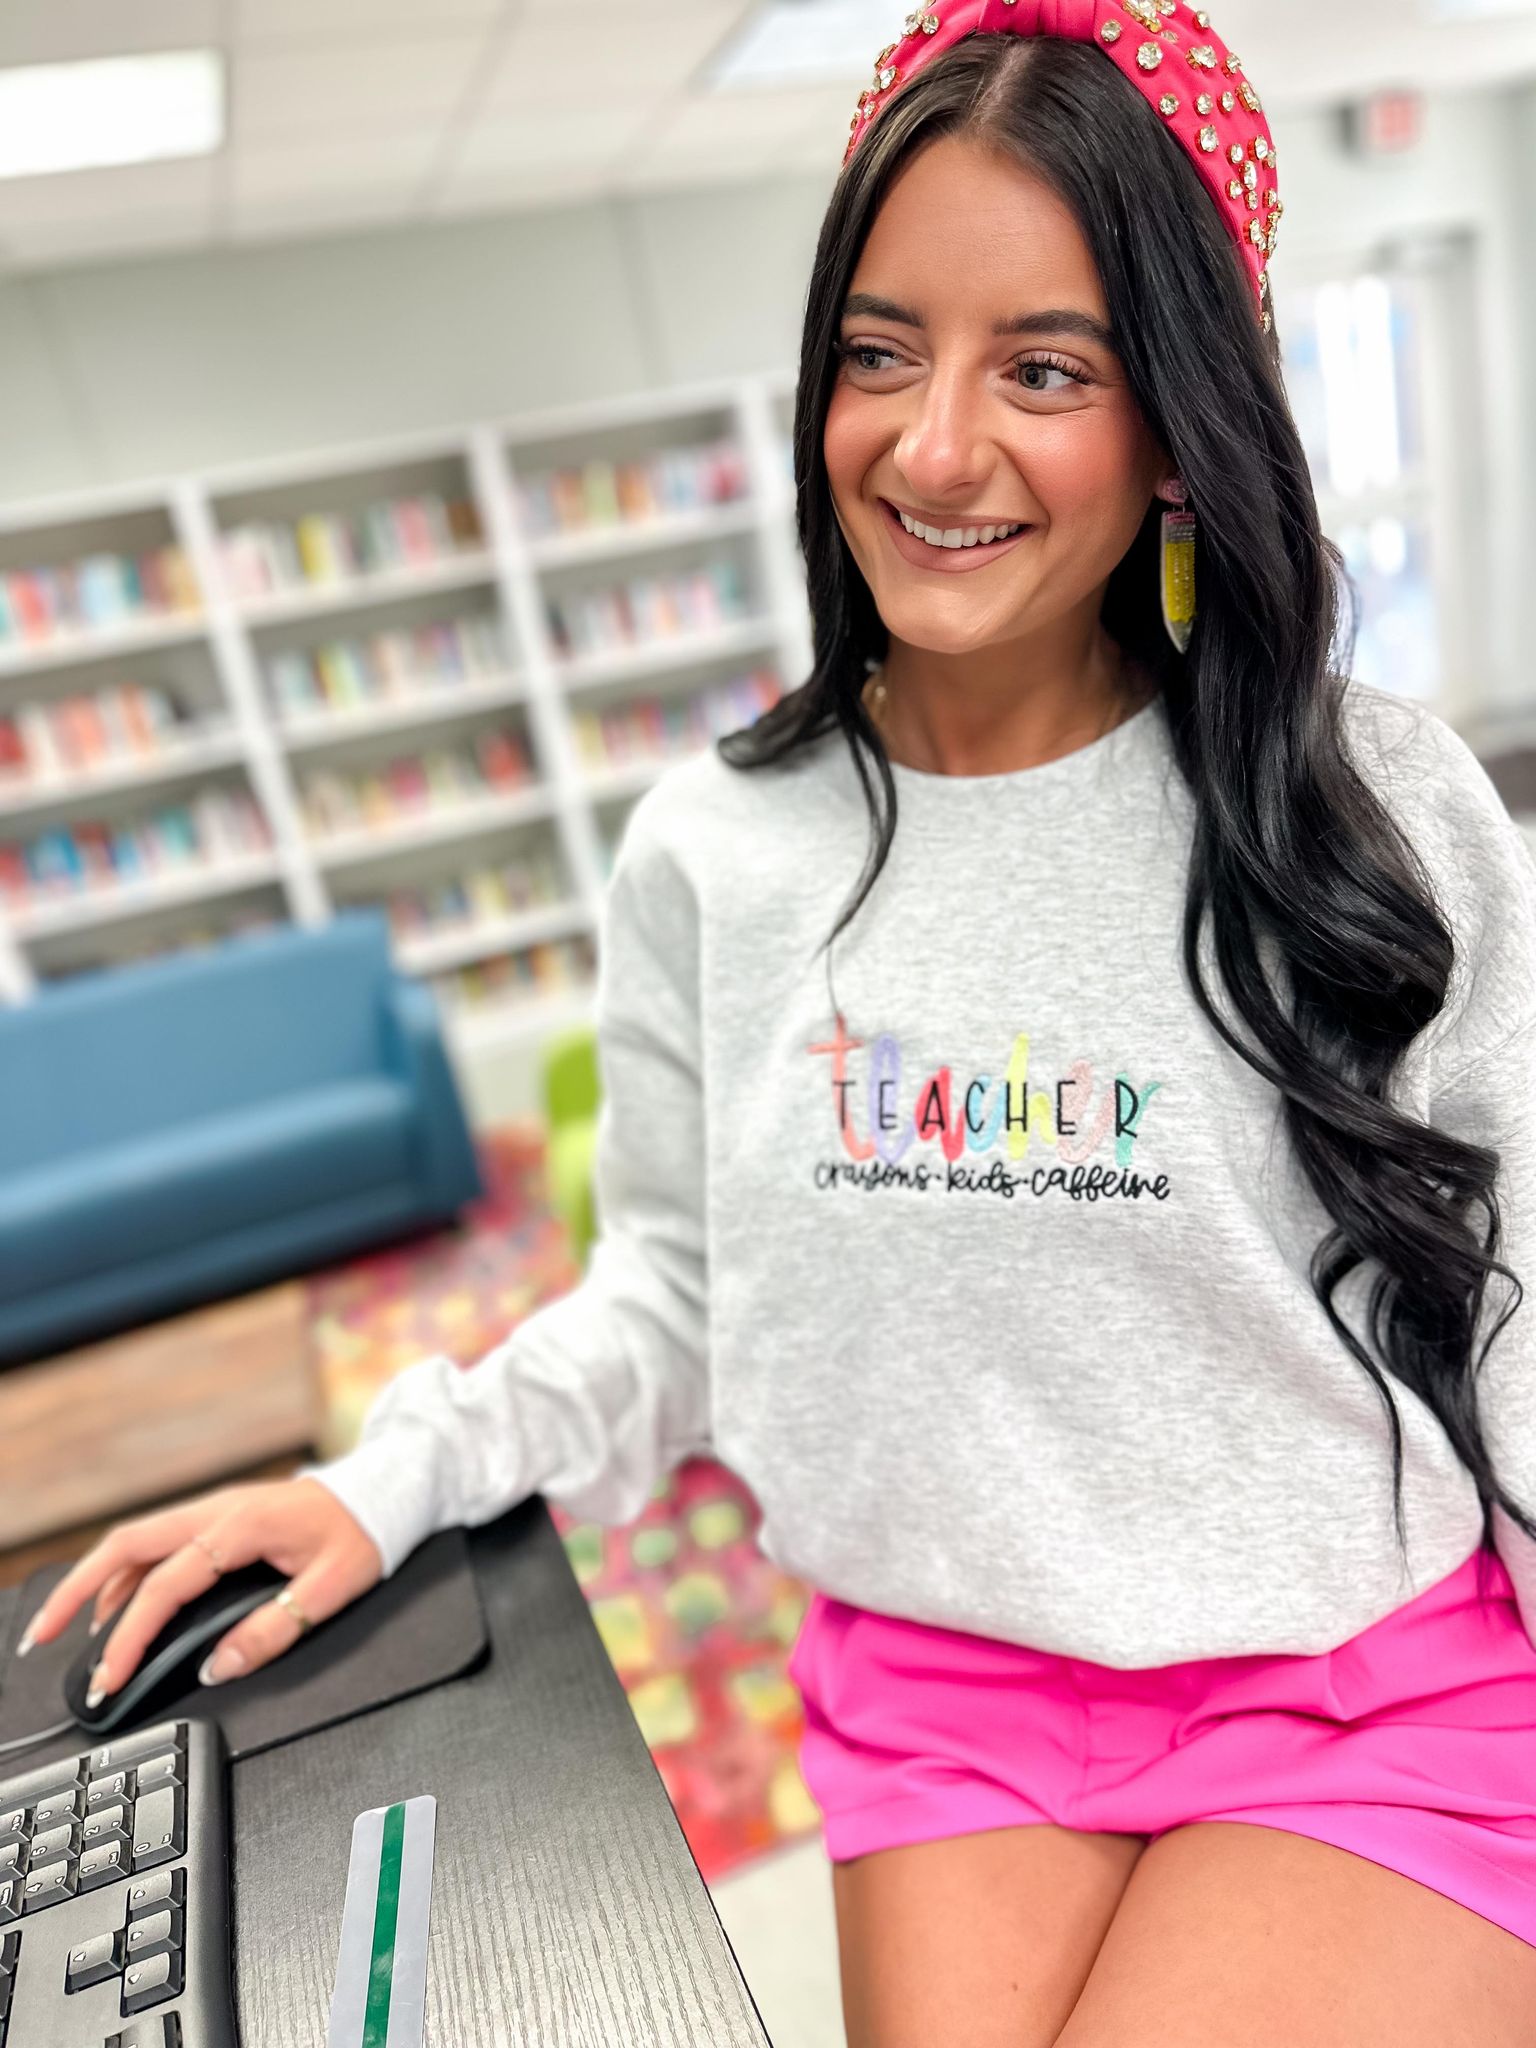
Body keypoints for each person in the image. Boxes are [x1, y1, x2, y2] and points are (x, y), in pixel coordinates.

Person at [19, 5, 1536, 2042]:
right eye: (880, 350)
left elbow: (1512, 1288)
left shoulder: (1373, 806)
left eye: (1046, 369)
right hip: (952, 1682)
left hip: (1362, 1677)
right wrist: (391, 1477)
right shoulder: (714, 854)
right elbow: (679, 1298)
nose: (931, 447)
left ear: (1182, 419)